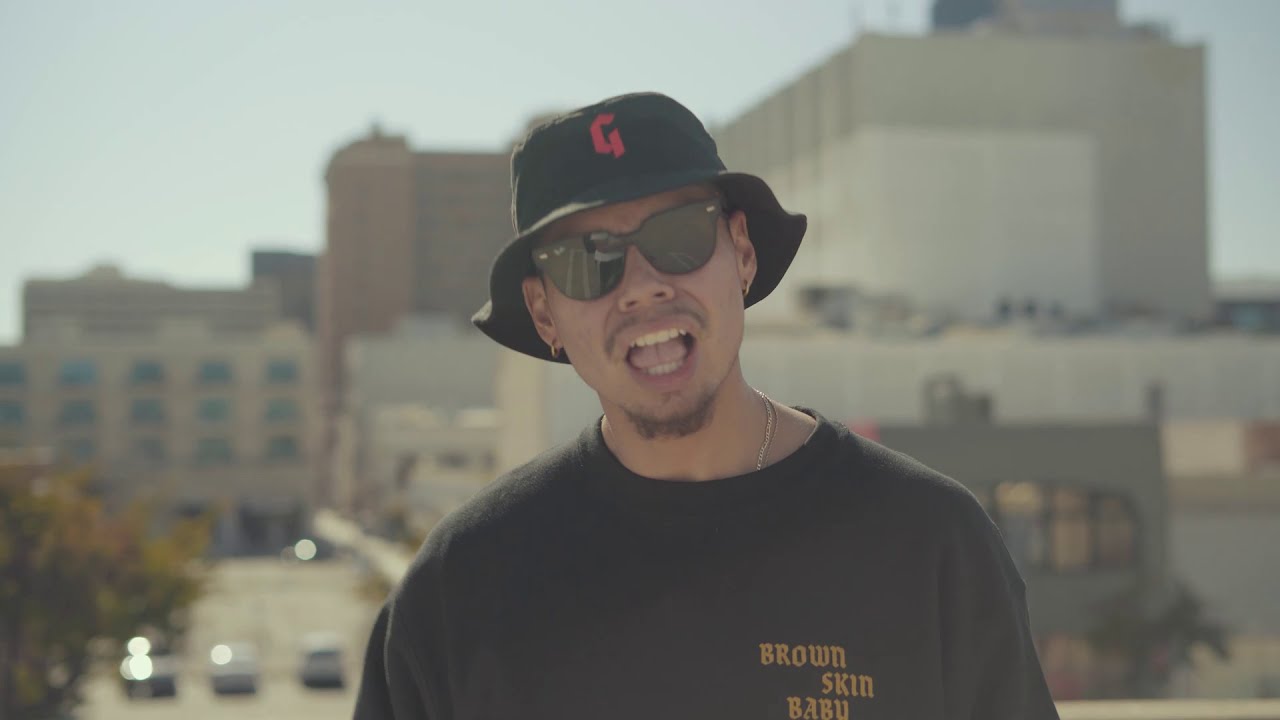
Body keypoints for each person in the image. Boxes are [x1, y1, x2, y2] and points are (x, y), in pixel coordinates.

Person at [353, 92, 1059, 719]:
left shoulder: (929, 542)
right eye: (588, 261)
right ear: (544, 313)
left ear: (741, 253)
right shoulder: (463, 584)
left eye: (679, 236)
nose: (642, 286)